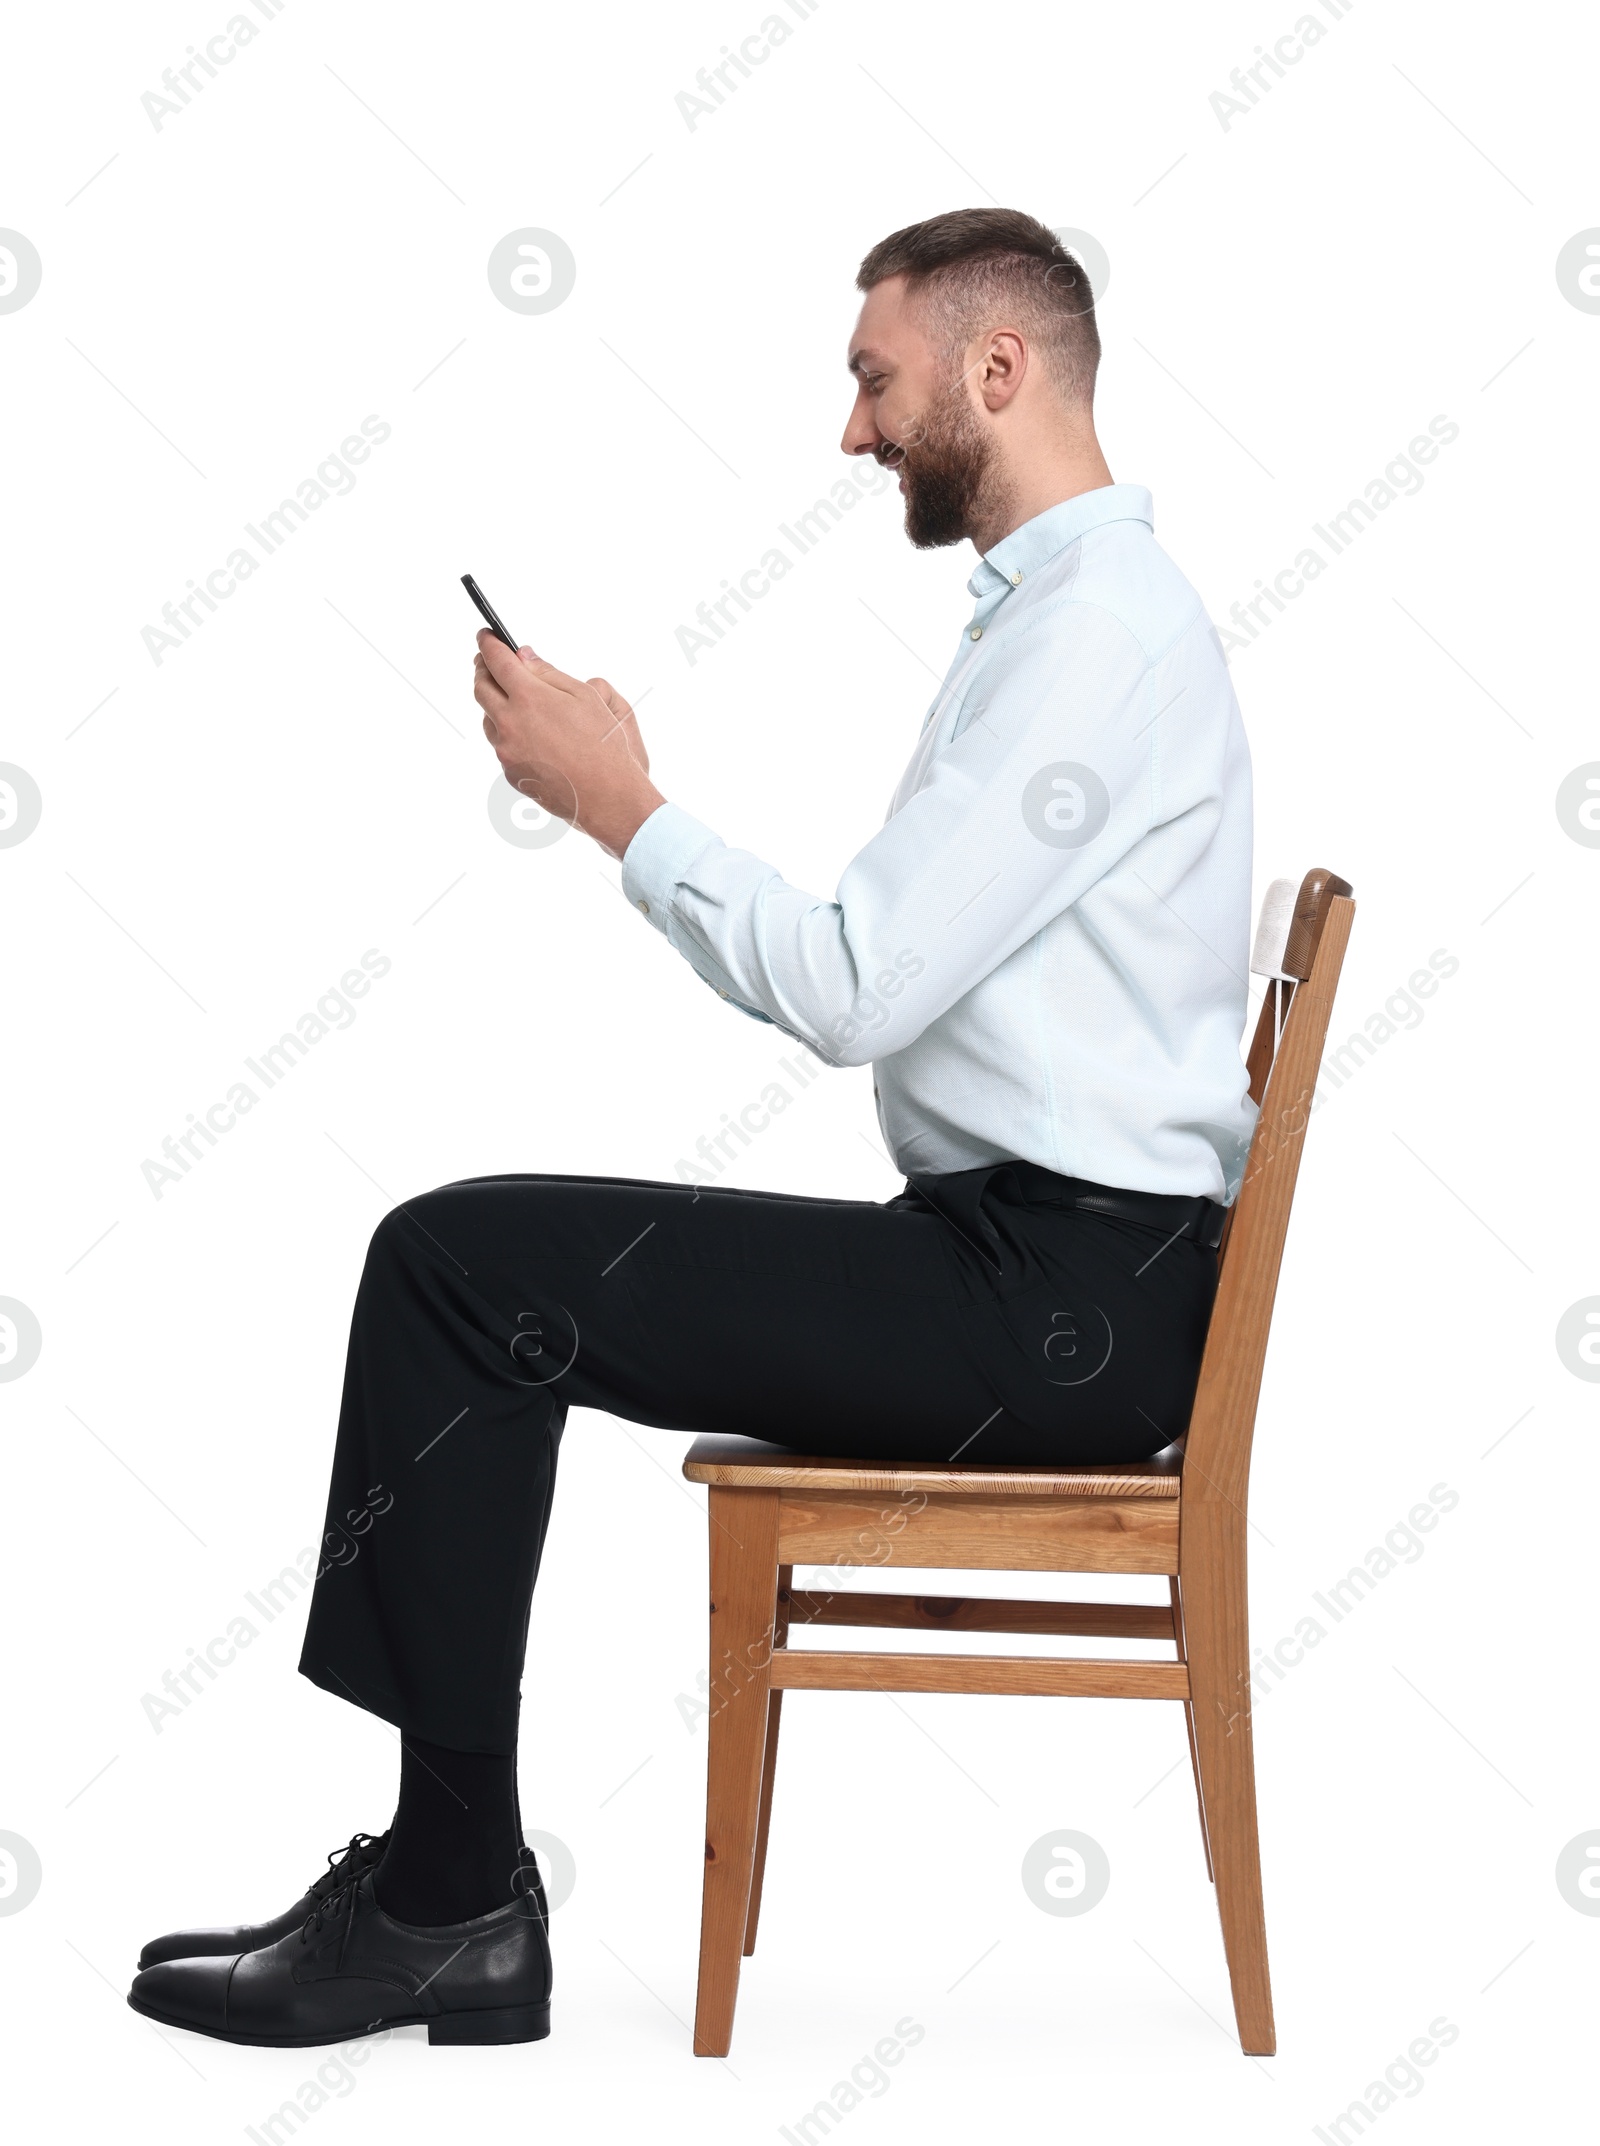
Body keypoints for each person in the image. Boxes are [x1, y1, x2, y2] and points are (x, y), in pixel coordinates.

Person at [128, 207, 1257, 2049]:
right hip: (1039, 1271)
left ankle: (446, 1898)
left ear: (1000, 368)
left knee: (461, 1264)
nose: (854, 431)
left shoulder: (1098, 637)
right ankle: (448, 1884)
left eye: (871, 380)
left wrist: (619, 804)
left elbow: (850, 986)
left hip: (1062, 1305)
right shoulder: (1080, 619)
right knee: (471, 1261)